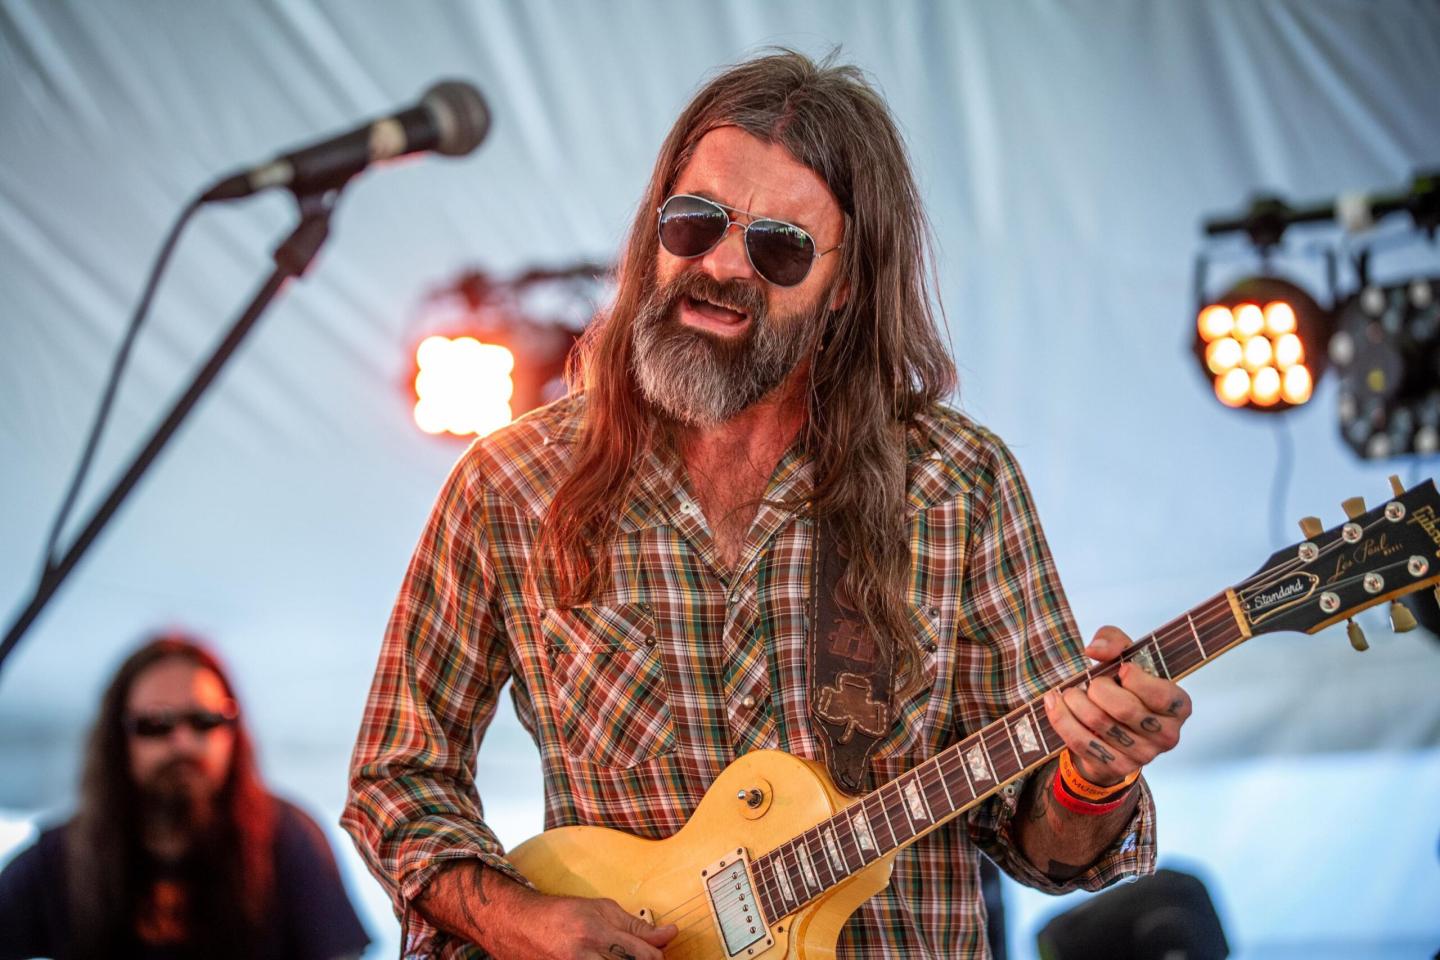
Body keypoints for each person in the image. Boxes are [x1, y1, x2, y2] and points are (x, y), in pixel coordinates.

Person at [343, 49, 1192, 959]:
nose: (722, 266)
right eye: (695, 222)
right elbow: (397, 775)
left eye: (779, 247)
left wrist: (1092, 777)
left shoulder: (956, 483)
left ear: (848, 283)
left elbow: (1043, 843)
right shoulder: (512, 483)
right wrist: (518, 920)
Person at [0, 633, 370, 960]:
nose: (182, 742)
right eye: (155, 724)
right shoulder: (64, 856)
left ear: (234, 733)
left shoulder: (289, 838)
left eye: (205, 721)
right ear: (118, 740)